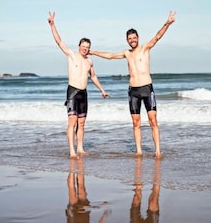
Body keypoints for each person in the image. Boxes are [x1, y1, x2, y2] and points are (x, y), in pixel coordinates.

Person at [89, 10, 176, 158]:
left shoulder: (145, 48)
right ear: (127, 40)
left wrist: (167, 23)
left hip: (147, 89)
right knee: (136, 122)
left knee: (153, 120)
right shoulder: (126, 53)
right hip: (133, 91)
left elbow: (157, 36)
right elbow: (110, 56)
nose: (132, 40)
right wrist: (93, 52)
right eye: (130, 38)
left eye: (134, 38)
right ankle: (139, 151)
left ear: (138, 38)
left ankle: (157, 151)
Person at [49, 11, 109, 158]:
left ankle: (80, 148)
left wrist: (102, 90)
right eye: (83, 46)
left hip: (84, 94)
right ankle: (72, 150)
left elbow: (93, 76)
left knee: (82, 123)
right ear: (79, 46)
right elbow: (59, 41)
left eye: (87, 47)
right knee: (72, 122)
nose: (85, 48)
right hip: (73, 93)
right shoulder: (71, 56)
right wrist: (52, 25)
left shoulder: (89, 61)